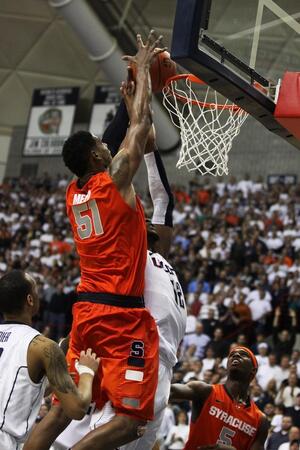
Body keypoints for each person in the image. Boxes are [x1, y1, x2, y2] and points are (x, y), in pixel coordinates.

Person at [24, 65, 187, 450]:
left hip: (88, 314)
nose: (106, 145)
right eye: (101, 145)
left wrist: (126, 99)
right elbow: (138, 133)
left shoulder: (74, 191)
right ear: (99, 158)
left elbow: (116, 142)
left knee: (63, 411)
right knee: (129, 424)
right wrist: (145, 80)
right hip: (122, 320)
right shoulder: (115, 184)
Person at [0, 270, 99, 450]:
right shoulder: (43, 347)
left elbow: (25, 389)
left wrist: (66, 345)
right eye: (36, 291)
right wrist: (87, 372)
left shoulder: (40, 348)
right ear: (30, 300)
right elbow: (77, 409)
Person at [170, 346, 269, 450]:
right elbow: (169, 391)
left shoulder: (260, 420)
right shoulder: (204, 391)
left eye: (243, 355)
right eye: (232, 355)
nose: (236, 355)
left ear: (253, 371)